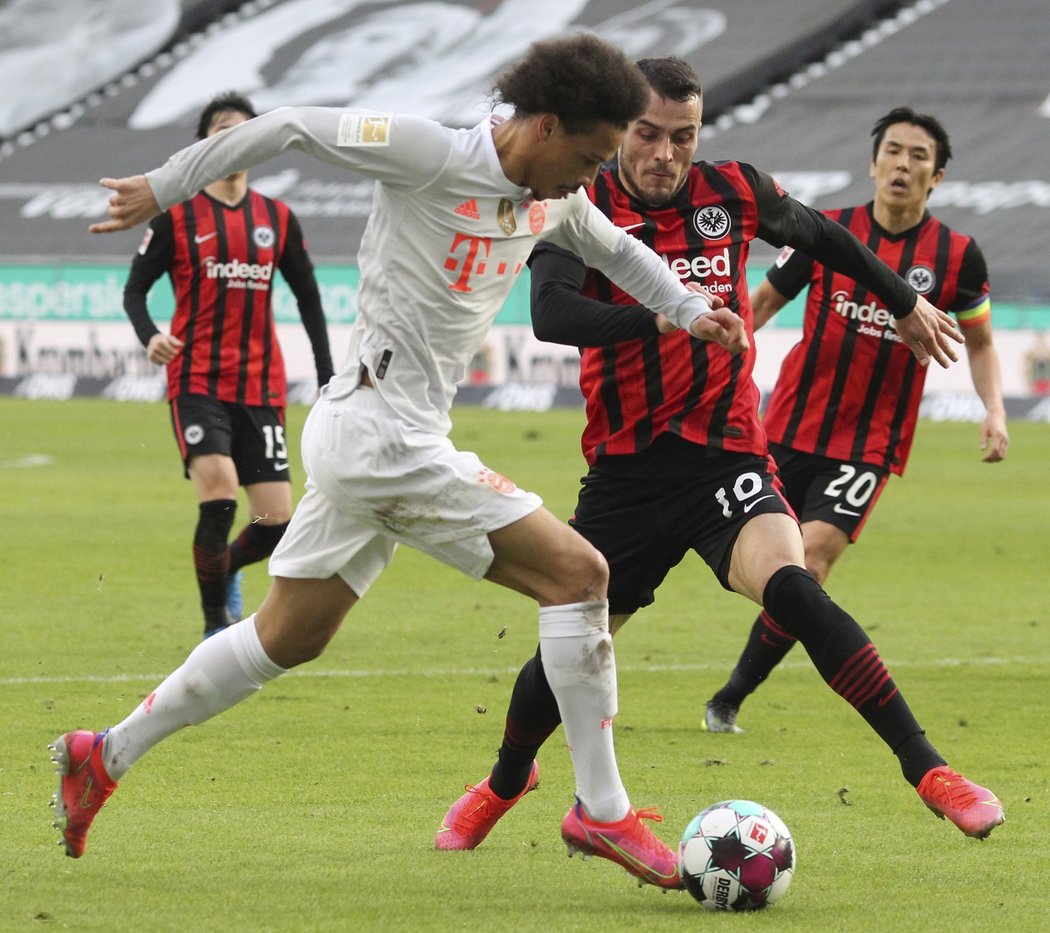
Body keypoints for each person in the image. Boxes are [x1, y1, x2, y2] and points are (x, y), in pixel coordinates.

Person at [49, 35, 757, 888]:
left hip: (376, 434)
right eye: (590, 155)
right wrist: (164, 186)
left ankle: (104, 754)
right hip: (381, 435)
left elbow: (613, 247)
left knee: (287, 637)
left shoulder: (555, 196)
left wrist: (686, 307)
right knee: (580, 574)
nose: (591, 177)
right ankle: (601, 812)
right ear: (541, 124)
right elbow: (290, 126)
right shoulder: (432, 155)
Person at [434, 59, 1003, 857]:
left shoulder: (732, 191)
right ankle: (505, 780)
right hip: (627, 471)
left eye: (682, 137)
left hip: (725, 453)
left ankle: (931, 770)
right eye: (647, 134)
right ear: (621, 128)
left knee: (796, 587)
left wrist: (905, 299)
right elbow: (553, 314)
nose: (664, 153)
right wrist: (663, 317)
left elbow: (823, 236)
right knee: (568, 654)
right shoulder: (582, 200)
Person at [703, 106, 1009, 734]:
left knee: (810, 562)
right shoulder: (828, 231)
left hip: (868, 445)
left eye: (917, 156)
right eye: (892, 151)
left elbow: (979, 343)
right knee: (730, 546)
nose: (902, 163)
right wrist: (709, 362)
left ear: (938, 176)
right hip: (786, 425)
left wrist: (995, 409)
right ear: (873, 164)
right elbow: (761, 302)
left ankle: (728, 697)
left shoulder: (957, 258)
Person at [123, 91, 336, 640]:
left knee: (275, 524)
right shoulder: (177, 215)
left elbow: (309, 299)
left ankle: (226, 567)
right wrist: (150, 337)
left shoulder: (277, 218)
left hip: (261, 385)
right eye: (222, 129)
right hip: (196, 380)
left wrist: (326, 374)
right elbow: (135, 292)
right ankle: (216, 624)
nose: (234, 137)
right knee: (218, 494)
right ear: (203, 144)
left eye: (245, 130)